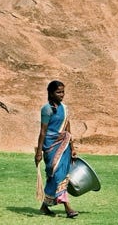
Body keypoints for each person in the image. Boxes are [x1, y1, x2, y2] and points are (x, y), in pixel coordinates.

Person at [35, 80, 79, 218]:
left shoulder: (65, 108)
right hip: (50, 146)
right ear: (51, 93)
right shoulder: (47, 109)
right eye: (58, 92)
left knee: (59, 176)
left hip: (64, 145)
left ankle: (45, 206)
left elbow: (67, 127)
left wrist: (72, 147)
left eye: (63, 92)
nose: (61, 94)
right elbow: (43, 131)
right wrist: (38, 152)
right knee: (56, 175)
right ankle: (68, 208)